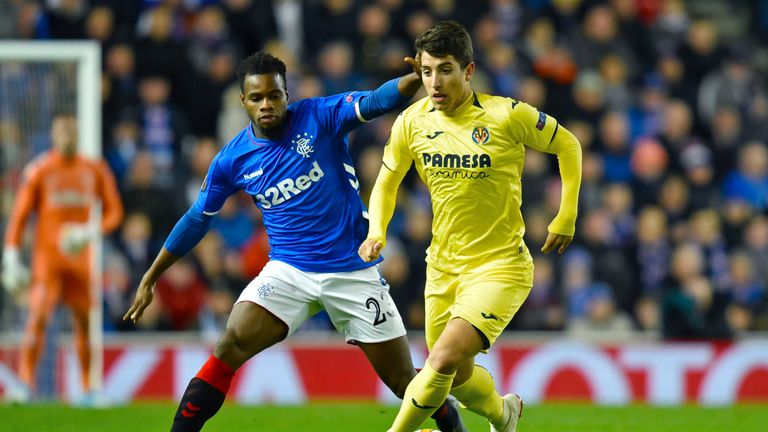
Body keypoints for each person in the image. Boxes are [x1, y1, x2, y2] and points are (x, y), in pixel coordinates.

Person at [123, 52, 466, 432]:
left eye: (274, 95)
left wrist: (414, 78)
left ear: (287, 94)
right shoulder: (232, 159)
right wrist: (152, 275)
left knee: (405, 382)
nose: (266, 105)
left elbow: (377, 100)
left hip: (351, 271)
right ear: (243, 101)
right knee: (229, 345)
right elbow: (196, 220)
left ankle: (452, 420)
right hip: (289, 272)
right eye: (257, 98)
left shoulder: (320, 116)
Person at [359, 21, 583, 432]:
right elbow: (386, 183)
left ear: (468, 70)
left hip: (500, 266)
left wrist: (566, 213)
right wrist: (377, 231)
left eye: (445, 69)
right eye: (427, 71)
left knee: (440, 360)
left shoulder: (507, 115)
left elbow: (568, 144)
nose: (435, 82)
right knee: (457, 376)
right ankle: (504, 414)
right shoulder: (412, 122)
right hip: (442, 267)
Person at [2, 112, 124, 401]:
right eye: (62, 131)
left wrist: (90, 232)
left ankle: (88, 389)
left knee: (84, 321)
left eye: (72, 131)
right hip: (48, 262)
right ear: (54, 135)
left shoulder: (95, 169)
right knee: (39, 315)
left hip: (81, 262)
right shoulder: (40, 170)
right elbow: (19, 215)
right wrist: (10, 253)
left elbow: (115, 212)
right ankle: (24, 384)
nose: (67, 136)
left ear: (79, 134)